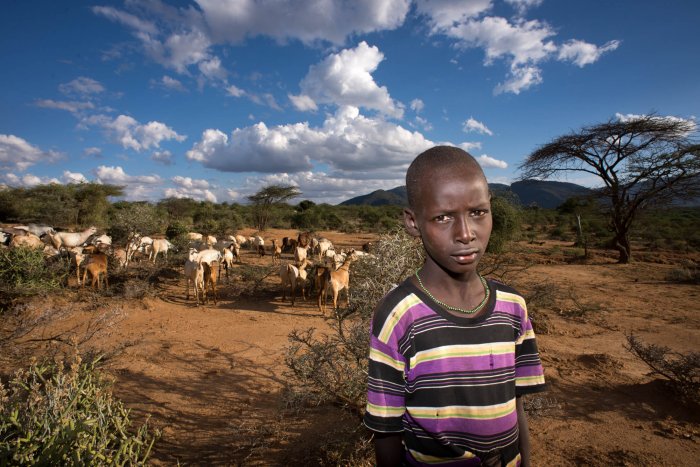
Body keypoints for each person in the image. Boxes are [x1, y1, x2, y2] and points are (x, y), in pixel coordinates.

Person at [364, 146, 546, 466]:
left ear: (491, 208)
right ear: (413, 222)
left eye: (477, 212)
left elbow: (516, 407)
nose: (465, 234)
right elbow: (386, 432)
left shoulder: (513, 306)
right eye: (443, 217)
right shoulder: (399, 316)